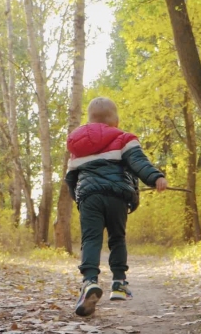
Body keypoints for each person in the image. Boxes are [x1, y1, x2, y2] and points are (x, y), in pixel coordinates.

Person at [65, 97, 167, 316]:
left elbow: (70, 178)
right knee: (117, 238)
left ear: (90, 119)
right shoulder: (123, 138)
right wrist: (156, 177)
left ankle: (90, 281)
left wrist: (78, 199)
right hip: (116, 197)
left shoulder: (77, 146)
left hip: (89, 197)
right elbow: (139, 163)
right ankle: (119, 282)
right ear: (115, 119)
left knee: (90, 239)